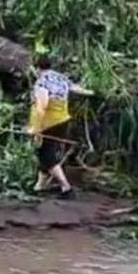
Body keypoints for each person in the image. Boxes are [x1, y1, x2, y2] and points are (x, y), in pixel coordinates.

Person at [29, 56, 92, 197]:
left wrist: (35, 128)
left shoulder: (42, 82)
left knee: (47, 156)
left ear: (37, 68)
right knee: (44, 153)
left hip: (48, 123)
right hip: (63, 120)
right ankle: (39, 186)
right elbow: (75, 88)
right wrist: (90, 93)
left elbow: (42, 106)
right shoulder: (60, 77)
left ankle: (66, 187)